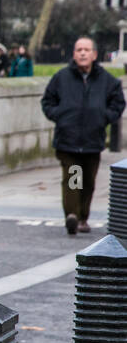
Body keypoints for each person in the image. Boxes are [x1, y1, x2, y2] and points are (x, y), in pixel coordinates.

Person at [41, 36, 125, 235]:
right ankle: (72, 215)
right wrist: (59, 116)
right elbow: (48, 101)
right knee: (73, 177)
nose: (82, 53)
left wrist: (104, 117)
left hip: (92, 139)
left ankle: (83, 216)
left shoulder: (107, 80)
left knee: (88, 181)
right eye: (79, 50)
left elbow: (118, 104)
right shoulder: (61, 77)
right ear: (74, 54)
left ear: (94, 54)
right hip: (68, 140)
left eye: (86, 50)